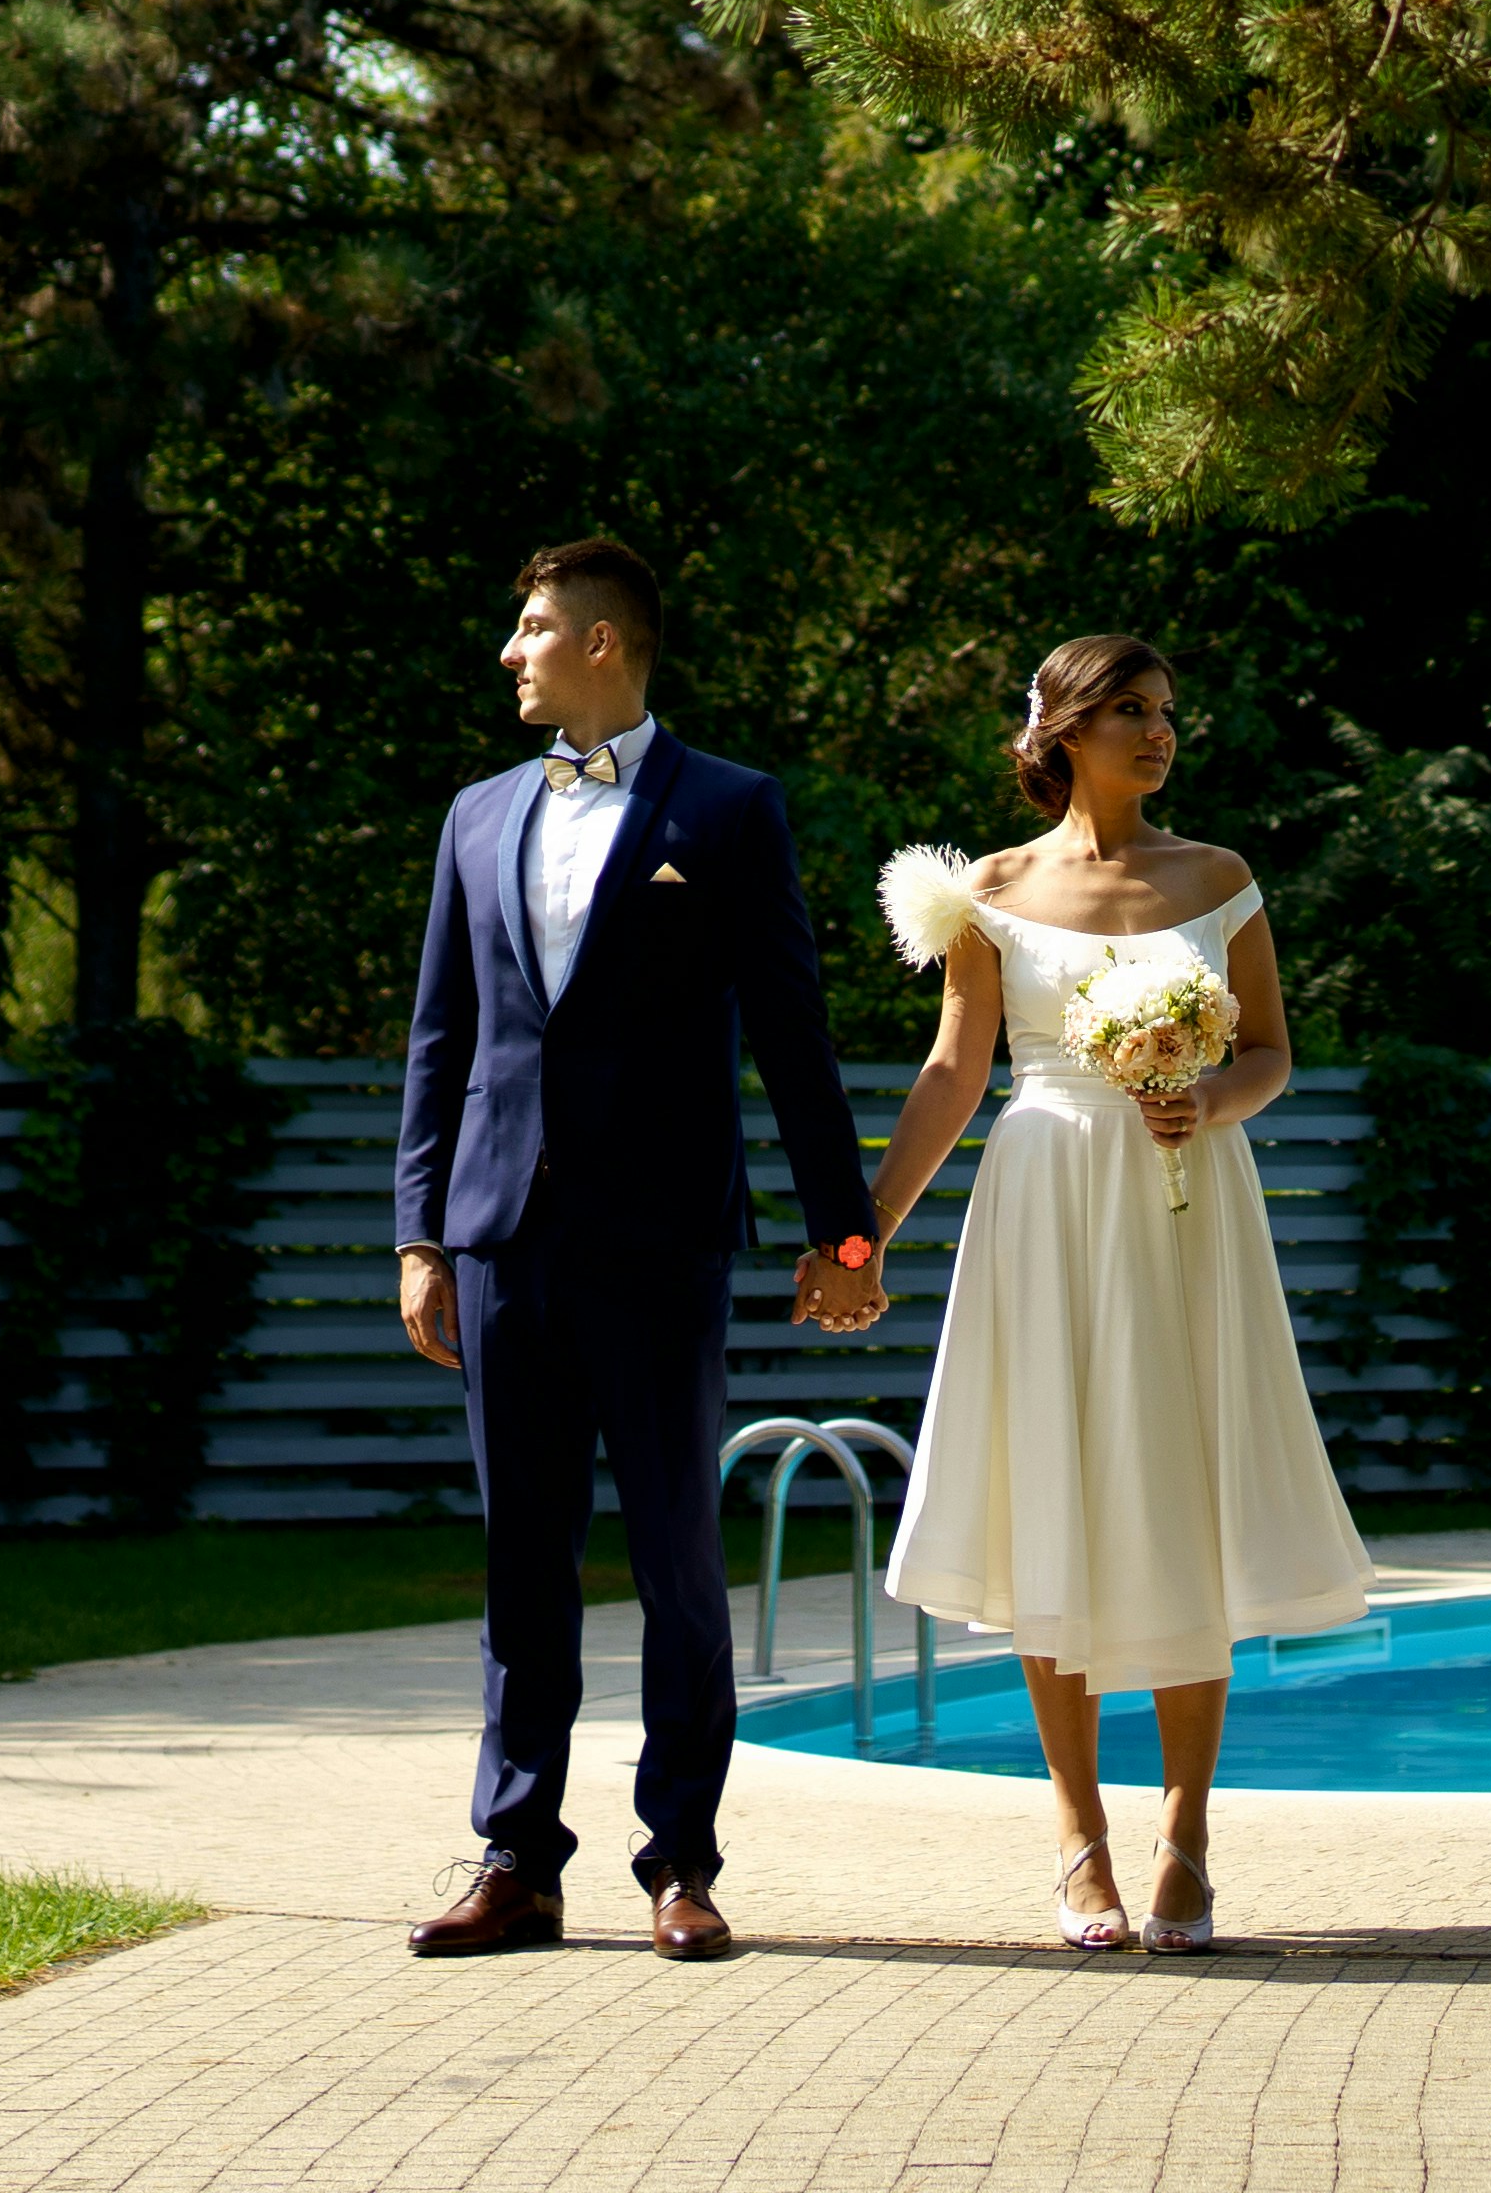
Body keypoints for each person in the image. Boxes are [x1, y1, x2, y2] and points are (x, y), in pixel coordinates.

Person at [833, 632, 1374, 1955]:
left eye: (1166, 711)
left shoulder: (1219, 876)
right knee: (1053, 1501)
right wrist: (861, 1241)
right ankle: (1079, 1839)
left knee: (1185, 1494)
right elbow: (955, 1076)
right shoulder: (994, 893)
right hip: (1045, 1200)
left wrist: (1209, 1099)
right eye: (1129, 709)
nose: (1158, 730)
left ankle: (1187, 1834)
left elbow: (1269, 1054)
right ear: (1063, 728)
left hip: (1188, 1214)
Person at [390, 535, 885, 1964]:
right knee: (517, 1561)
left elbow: (793, 1033)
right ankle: (515, 1859)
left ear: (604, 644)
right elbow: (442, 1041)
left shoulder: (729, 810)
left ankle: (679, 1861)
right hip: (498, 1239)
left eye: (533, 626)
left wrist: (841, 1232)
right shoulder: (475, 815)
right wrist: (421, 1230)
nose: (512, 650)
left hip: (661, 1242)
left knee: (676, 1558)